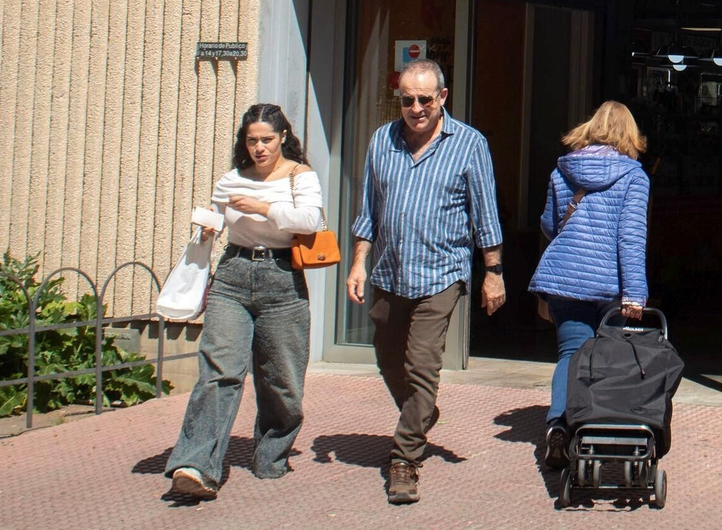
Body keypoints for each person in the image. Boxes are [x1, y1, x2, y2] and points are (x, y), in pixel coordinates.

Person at [346, 59, 506, 505]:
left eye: (424, 99)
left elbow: (485, 215)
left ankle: (405, 459)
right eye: (407, 100)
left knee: (421, 365)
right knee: (388, 357)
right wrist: (359, 263)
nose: (415, 108)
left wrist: (493, 273)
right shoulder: (382, 139)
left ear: (443, 98)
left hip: (442, 274)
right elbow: (368, 212)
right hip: (391, 272)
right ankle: (422, 413)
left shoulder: (470, 144)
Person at [165, 104, 322, 499]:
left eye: (267, 139)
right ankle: (196, 464)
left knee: (281, 381)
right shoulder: (231, 179)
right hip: (233, 275)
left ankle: (271, 454)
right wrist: (205, 230)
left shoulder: (300, 176)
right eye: (252, 140)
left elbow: (310, 221)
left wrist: (264, 207)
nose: (259, 148)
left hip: (282, 279)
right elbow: (216, 219)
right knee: (219, 370)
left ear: (282, 136)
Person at [528, 100, 651, 470]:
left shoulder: (562, 171)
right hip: (610, 285)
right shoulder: (634, 177)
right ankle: (596, 429)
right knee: (610, 360)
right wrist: (634, 293)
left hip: (564, 279)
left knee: (570, 355)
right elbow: (630, 238)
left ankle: (558, 426)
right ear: (629, 134)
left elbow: (550, 226)